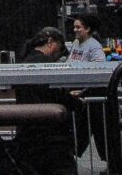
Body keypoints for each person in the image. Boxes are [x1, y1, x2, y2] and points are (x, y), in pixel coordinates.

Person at [14, 27, 77, 175]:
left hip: (27, 134)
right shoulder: (47, 65)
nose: (59, 56)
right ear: (51, 42)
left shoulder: (24, 61)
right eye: (60, 49)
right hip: (51, 136)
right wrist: (75, 101)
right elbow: (55, 93)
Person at [68, 15, 107, 165]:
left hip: (90, 94)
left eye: (78, 27)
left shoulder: (94, 46)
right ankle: (73, 154)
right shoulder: (76, 43)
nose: (75, 30)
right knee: (81, 128)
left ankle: (110, 162)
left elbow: (99, 69)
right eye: (74, 27)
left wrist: (83, 90)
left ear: (88, 29)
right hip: (77, 93)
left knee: (97, 129)